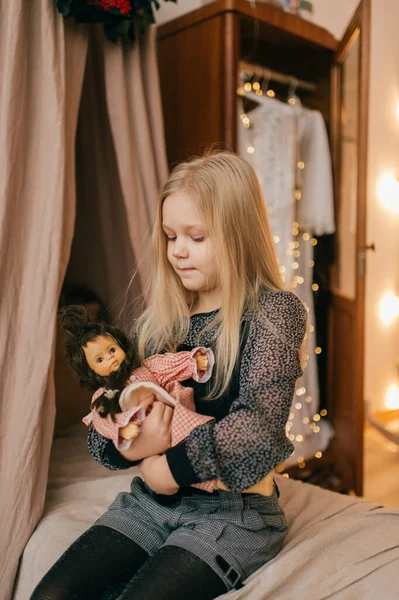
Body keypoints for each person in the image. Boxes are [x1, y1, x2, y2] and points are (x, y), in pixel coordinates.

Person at [31, 151, 308, 600]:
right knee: (52, 596)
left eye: (196, 237)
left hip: (233, 511)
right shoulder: (159, 323)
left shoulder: (274, 313)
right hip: (148, 504)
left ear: (238, 234)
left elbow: (259, 427)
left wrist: (171, 467)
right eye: (169, 236)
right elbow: (102, 435)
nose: (177, 250)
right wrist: (134, 446)